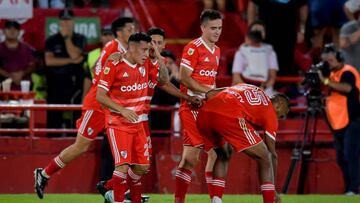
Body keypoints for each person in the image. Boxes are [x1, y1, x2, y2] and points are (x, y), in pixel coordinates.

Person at [33, 17, 134, 199]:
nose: (132, 32)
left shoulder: (124, 50)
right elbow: (98, 70)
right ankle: (45, 173)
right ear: (119, 32)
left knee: (122, 147)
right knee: (81, 147)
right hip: (97, 106)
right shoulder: (113, 47)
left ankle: (117, 189)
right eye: (129, 29)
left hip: (112, 107)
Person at [197, 84, 289, 203]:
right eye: (281, 115)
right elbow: (272, 154)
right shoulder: (270, 112)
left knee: (224, 154)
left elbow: (210, 94)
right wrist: (274, 190)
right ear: (280, 105)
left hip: (204, 114)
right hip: (228, 115)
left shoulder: (251, 87)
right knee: (265, 156)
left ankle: (216, 199)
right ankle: (270, 200)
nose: (279, 118)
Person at [95, 32, 153, 203]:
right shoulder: (115, 64)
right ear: (132, 47)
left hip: (138, 124)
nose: (146, 54)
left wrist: (154, 51)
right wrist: (122, 110)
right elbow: (100, 96)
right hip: (118, 123)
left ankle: (108, 188)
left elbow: (163, 76)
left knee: (142, 167)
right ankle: (117, 198)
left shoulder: (146, 63)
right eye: (143, 50)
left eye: (148, 50)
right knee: (122, 166)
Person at [175, 9, 222, 203]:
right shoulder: (193, 47)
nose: (217, 32)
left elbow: (211, 81)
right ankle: (179, 199)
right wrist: (207, 92)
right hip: (191, 106)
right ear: (202, 28)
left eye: (219, 28)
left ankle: (216, 199)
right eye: (213, 28)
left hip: (208, 108)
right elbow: (184, 77)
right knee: (192, 157)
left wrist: (216, 97)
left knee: (216, 152)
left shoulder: (217, 50)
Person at [318, 44, 360, 195]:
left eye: (330, 60)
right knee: (341, 157)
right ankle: (349, 188)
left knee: (350, 155)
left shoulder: (347, 72)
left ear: (339, 58)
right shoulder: (332, 74)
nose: (328, 64)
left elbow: (348, 88)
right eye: (326, 61)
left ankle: (354, 189)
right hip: (338, 123)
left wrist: (326, 82)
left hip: (353, 120)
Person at [44, 9, 86, 136]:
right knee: (54, 118)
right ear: (59, 21)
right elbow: (49, 61)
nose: (66, 22)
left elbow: (74, 53)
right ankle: (51, 142)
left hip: (74, 85)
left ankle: (74, 140)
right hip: (55, 83)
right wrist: (72, 61)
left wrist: (67, 38)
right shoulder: (51, 40)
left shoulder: (80, 38)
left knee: (75, 116)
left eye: (68, 19)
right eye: (63, 19)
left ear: (73, 21)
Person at [247, 0, 307, 75]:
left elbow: (303, 6)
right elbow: (252, 4)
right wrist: (251, 29)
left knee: (286, 65)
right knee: (264, 64)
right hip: (266, 34)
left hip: (288, 34)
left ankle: (285, 85)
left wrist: (302, 30)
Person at [232, 20, 278, 96]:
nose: (258, 32)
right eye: (256, 30)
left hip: (264, 88)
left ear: (265, 34)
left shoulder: (270, 52)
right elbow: (236, 77)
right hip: (245, 88)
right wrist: (249, 90)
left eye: (261, 31)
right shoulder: (241, 51)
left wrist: (263, 88)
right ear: (250, 33)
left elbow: (272, 77)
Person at [0, 20, 36, 90]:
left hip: (24, 89)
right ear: (3, 31)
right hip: (3, 90)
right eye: (9, 29)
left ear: (19, 32)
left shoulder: (27, 48)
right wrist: (10, 76)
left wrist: (22, 73)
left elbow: (32, 65)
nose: (12, 31)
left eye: (15, 29)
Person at [82, 25, 114, 99]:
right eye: (105, 35)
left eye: (110, 35)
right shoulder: (91, 54)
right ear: (100, 38)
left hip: (115, 95)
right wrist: (84, 99)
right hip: (96, 94)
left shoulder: (122, 54)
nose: (108, 37)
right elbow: (88, 78)